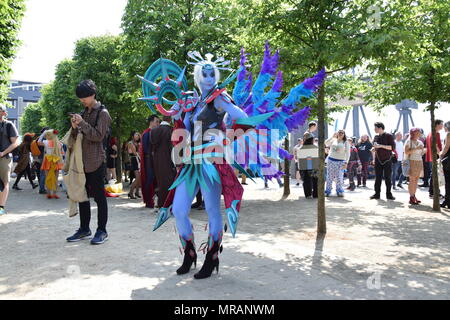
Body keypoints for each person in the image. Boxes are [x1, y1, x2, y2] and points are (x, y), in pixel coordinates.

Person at [66, 79, 112, 245]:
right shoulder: (84, 112)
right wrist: (74, 126)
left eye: (84, 97)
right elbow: (79, 135)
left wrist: (82, 123)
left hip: (96, 161)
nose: (82, 100)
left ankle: (102, 231)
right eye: (80, 98)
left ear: (92, 95)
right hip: (82, 162)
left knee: (100, 198)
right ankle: (84, 229)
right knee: (83, 197)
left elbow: (98, 136)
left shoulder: (103, 113)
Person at [151, 115, 176, 209]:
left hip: (157, 160)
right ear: (170, 119)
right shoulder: (171, 130)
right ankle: (169, 204)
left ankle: (161, 203)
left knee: (160, 182)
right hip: (169, 159)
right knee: (169, 182)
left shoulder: (153, 131)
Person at [0, 105, 19, 215]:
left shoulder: (8, 125)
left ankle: (1, 207)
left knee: (4, 182)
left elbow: (15, 142)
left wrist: (3, 153)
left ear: (3, 113)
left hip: (4, 158)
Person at [371, 122, 396, 200]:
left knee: (388, 178)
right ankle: (377, 194)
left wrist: (380, 146)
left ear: (380, 128)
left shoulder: (389, 136)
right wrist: (373, 149)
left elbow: (392, 147)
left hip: (387, 159)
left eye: (375, 128)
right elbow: (375, 147)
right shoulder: (375, 137)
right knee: (377, 178)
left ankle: (389, 194)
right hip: (378, 159)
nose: (374, 129)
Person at [140, 115, 160, 208]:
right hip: (149, 160)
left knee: (154, 179)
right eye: (156, 121)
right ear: (151, 122)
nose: (158, 123)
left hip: (153, 159)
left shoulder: (152, 132)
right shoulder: (146, 133)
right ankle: (148, 201)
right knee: (149, 178)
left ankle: (153, 200)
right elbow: (146, 149)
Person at [38, 129, 64, 199]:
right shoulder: (59, 143)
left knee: (48, 178)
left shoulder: (46, 142)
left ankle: (49, 193)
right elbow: (62, 153)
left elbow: (38, 142)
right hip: (56, 161)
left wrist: (43, 133)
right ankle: (54, 193)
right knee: (56, 178)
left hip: (48, 160)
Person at [325, 130, 350, 197]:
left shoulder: (346, 142)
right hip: (331, 160)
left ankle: (339, 190)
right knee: (329, 176)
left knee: (339, 177)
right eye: (339, 132)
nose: (340, 134)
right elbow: (326, 143)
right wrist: (332, 136)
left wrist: (346, 163)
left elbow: (348, 153)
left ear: (344, 134)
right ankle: (328, 190)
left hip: (340, 161)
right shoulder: (334, 140)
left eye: (342, 133)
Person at [404, 128, 426, 205]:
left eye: (419, 133)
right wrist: (417, 148)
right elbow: (406, 152)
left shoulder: (420, 142)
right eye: (418, 133)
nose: (419, 134)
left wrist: (423, 151)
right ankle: (411, 197)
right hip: (411, 161)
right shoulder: (408, 141)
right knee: (412, 180)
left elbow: (420, 153)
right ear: (413, 133)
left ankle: (414, 195)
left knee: (416, 180)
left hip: (419, 161)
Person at [425, 120, 444, 198]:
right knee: (435, 175)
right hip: (435, 156)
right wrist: (440, 154)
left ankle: (433, 192)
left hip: (431, 156)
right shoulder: (436, 134)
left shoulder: (430, 133)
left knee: (433, 174)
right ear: (437, 125)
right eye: (441, 124)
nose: (442, 126)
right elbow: (436, 146)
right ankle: (433, 192)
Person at [298, 132, 318, 198]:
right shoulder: (316, 147)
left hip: (304, 167)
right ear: (312, 139)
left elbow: (299, 159)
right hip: (315, 167)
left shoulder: (300, 149)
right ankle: (316, 194)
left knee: (306, 181)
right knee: (315, 181)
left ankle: (308, 194)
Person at [127, 131, 141, 199]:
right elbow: (135, 153)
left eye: (138, 135)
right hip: (134, 160)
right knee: (138, 177)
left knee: (139, 177)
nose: (138, 136)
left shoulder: (137, 143)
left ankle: (137, 192)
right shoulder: (130, 143)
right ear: (132, 135)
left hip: (138, 160)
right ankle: (130, 192)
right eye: (136, 135)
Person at [439, 121, 450, 209]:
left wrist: (441, 154)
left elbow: (446, 146)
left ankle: (447, 201)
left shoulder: (448, 134)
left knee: (448, 182)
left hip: (448, 160)